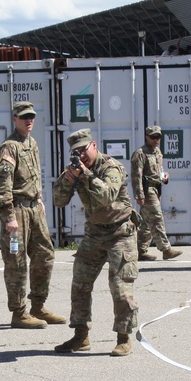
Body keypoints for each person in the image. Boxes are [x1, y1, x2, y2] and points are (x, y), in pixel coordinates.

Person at [52, 129, 139, 357]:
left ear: (94, 145)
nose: (81, 155)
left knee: (120, 287)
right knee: (80, 282)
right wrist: (67, 179)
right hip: (95, 232)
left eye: (84, 150)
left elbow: (108, 195)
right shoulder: (77, 170)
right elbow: (58, 201)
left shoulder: (111, 167)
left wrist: (87, 175)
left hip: (120, 232)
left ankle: (124, 337)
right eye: (76, 152)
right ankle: (80, 336)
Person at [0, 101, 66, 328]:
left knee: (45, 255)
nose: (29, 120)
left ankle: (38, 306)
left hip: (34, 208)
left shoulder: (32, 143)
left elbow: (34, 175)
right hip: (18, 211)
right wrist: (8, 215)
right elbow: (2, 184)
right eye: (24, 117)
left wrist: (40, 198)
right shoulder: (9, 147)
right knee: (16, 261)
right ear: (15, 119)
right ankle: (19, 313)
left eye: (31, 116)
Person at [131, 125, 182, 262]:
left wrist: (165, 175)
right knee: (157, 218)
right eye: (153, 137)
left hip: (156, 189)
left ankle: (141, 251)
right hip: (147, 191)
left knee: (146, 223)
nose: (156, 140)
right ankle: (166, 249)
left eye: (158, 137)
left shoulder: (157, 152)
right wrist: (139, 195)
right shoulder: (140, 153)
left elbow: (159, 170)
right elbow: (136, 176)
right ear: (146, 137)